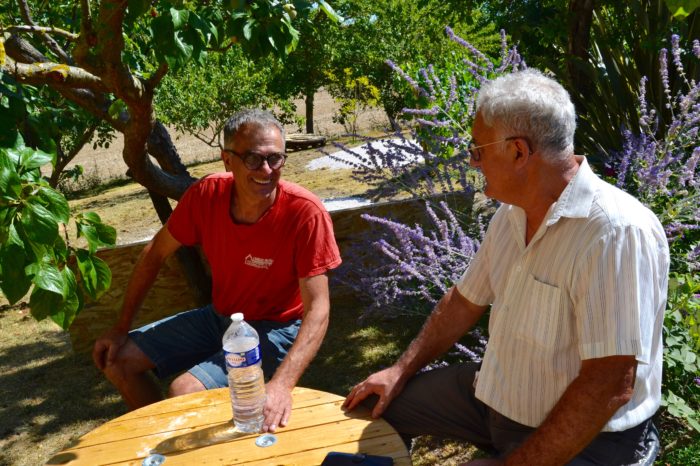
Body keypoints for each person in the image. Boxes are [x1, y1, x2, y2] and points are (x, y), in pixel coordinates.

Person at [343, 69, 669, 465]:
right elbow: (464, 301)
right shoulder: (511, 214)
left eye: (478, 149)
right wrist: (399, 370)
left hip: (590, 439)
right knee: (375, 407)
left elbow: (608, 384)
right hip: (493, 398)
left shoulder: (614, 233)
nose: (472, 160)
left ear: (518, 151)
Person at [93, 108, 341, 433]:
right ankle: (163, 446)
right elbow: (154, 253)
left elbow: (318, 310)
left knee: (184, 390)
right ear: (227, 159)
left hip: (277, 328)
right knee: (118, 360)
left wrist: (282, 385)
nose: (267, 170)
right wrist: (121, 327)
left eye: (276, 158)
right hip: (221, 317)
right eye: (253, 159)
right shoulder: (207, 195)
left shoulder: (304, 213)